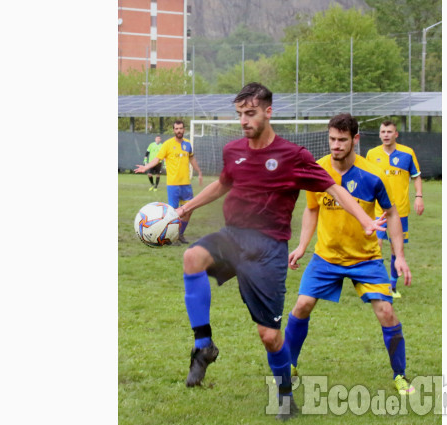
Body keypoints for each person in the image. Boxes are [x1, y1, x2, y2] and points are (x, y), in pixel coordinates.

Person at [174, 83, 386, 421]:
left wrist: (364, 219)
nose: (244, 120)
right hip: (234, 237)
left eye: (251, 113)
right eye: (240, 114)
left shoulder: (293, 156)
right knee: (192, 257)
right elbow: (224, 183)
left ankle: (285, 395)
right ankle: (203, 346)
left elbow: (333, 187)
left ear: (268, 112)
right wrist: (190, 207)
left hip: (268, 252)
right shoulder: (234, 150)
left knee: (270, 337)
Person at [283, 113, 415, 397]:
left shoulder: (373, 174)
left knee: (387, 312)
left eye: (342, 140)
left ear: (355, 139)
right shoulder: (317, 169)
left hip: (365, 258)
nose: (336, 145)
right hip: (326, 257)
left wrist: (399, 256)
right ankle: (289, 366)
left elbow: (391, 214)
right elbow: (311, 209)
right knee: (302, 305)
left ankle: (400, 375)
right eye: (332, 139)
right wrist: (302, 246)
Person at [366, 121, 424, 298]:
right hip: (378, 209)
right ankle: (376, 282)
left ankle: (392, 285)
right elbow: (366, 179)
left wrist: (419, 197)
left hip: (400, 211)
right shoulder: (372, 154)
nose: (386, 134)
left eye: (389, 131)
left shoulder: (407, 153)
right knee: (376, 246)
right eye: (383, 131)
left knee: (395, 248)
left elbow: (417, 177)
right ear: (379, 134)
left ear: (396, 134)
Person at [135, 120, 203, 244]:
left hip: (186, 184)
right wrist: (146, 167)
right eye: (176, 128)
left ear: (184, 129)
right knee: (173, 213)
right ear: (173, 130)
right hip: (173, 184)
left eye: (181, 128)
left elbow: (191, 157)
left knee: (189, 210)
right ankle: (172, 236)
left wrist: (199, 171)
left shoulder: (188, 144)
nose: (179, 131)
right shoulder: (167, 144)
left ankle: (180, 234)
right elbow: (157, 159)